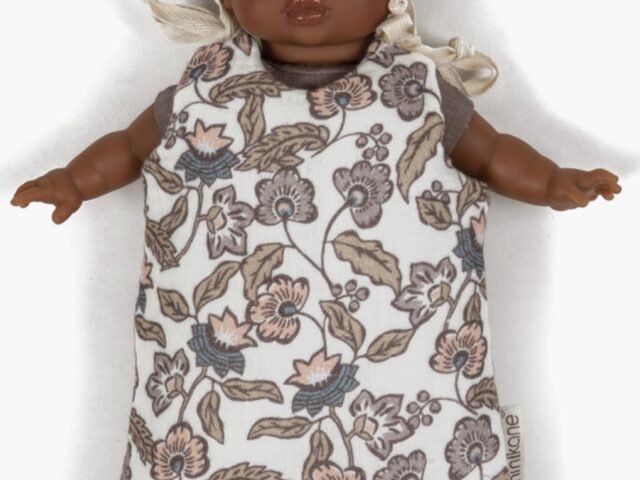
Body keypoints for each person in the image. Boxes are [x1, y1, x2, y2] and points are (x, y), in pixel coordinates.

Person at [9, 1, 622, 479]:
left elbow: (491, 154)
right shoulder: (202, 91)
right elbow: (128, 146)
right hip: (214, 398)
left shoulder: (419, 91)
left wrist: (552, 182)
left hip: (402, 392)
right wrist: (74, 181)